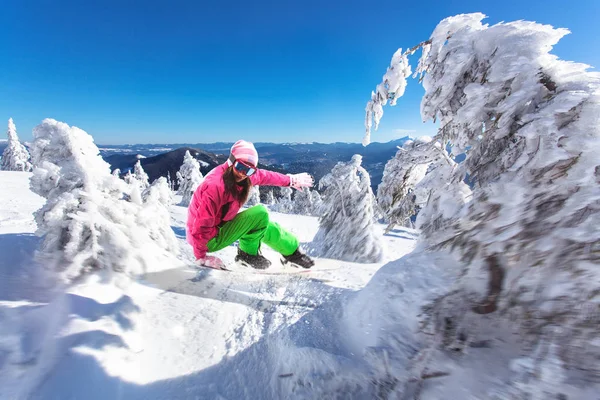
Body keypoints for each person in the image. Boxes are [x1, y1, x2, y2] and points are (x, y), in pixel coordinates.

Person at [186, 140, 315, 270]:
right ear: (231, 162)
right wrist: (201, 257)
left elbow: (266, 176)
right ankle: (247, 255)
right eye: (240, 167)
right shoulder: (215, 186)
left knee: (264, 225)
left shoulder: (243, 175)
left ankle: (292, 253)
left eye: (249, 170)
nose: (243, 173)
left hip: (218, 227)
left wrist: (290, 180)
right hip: (206, 239)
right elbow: (201, 224)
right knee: (260, 213)